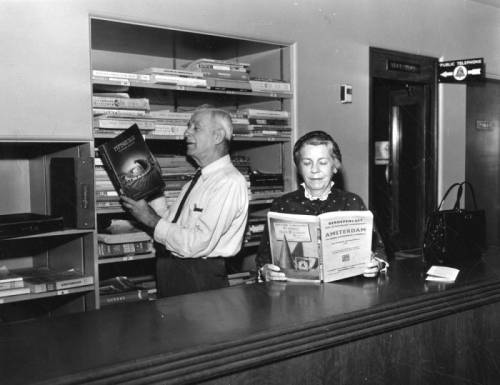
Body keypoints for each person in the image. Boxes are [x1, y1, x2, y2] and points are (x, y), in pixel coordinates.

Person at [121, 108, 249, 297]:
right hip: (173, 271)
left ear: (217, 136)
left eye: (195, 128)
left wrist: (149, 218)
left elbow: (196, 243)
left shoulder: (228, 182)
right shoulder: (197, 180)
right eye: (188, 127)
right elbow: (173, 225)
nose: (186, 133)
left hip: (199, 276)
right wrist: (150, 187)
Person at [256, 130, 388, 281]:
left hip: (346, 292)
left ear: (335, 166)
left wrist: (376, 265)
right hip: (296, 294)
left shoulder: (352, 202)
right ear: (299, 168)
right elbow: (264, 256)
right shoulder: (282, 205)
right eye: (307, 163)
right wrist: (265, 270)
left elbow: (379, 250)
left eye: (323, 162)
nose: (314, 170)